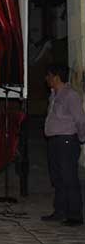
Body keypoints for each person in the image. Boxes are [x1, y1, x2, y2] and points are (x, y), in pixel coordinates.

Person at [41, 64, 84, 226]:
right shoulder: (54, 94)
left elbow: (80, 120)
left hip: (66, 141)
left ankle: (75, 215)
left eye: (49, 75)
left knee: (69, 178)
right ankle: (60, 211)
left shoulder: (70, 95)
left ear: (56, 77)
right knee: (57, 178)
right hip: (54, 142)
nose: (47, 79)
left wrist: (80, 138)